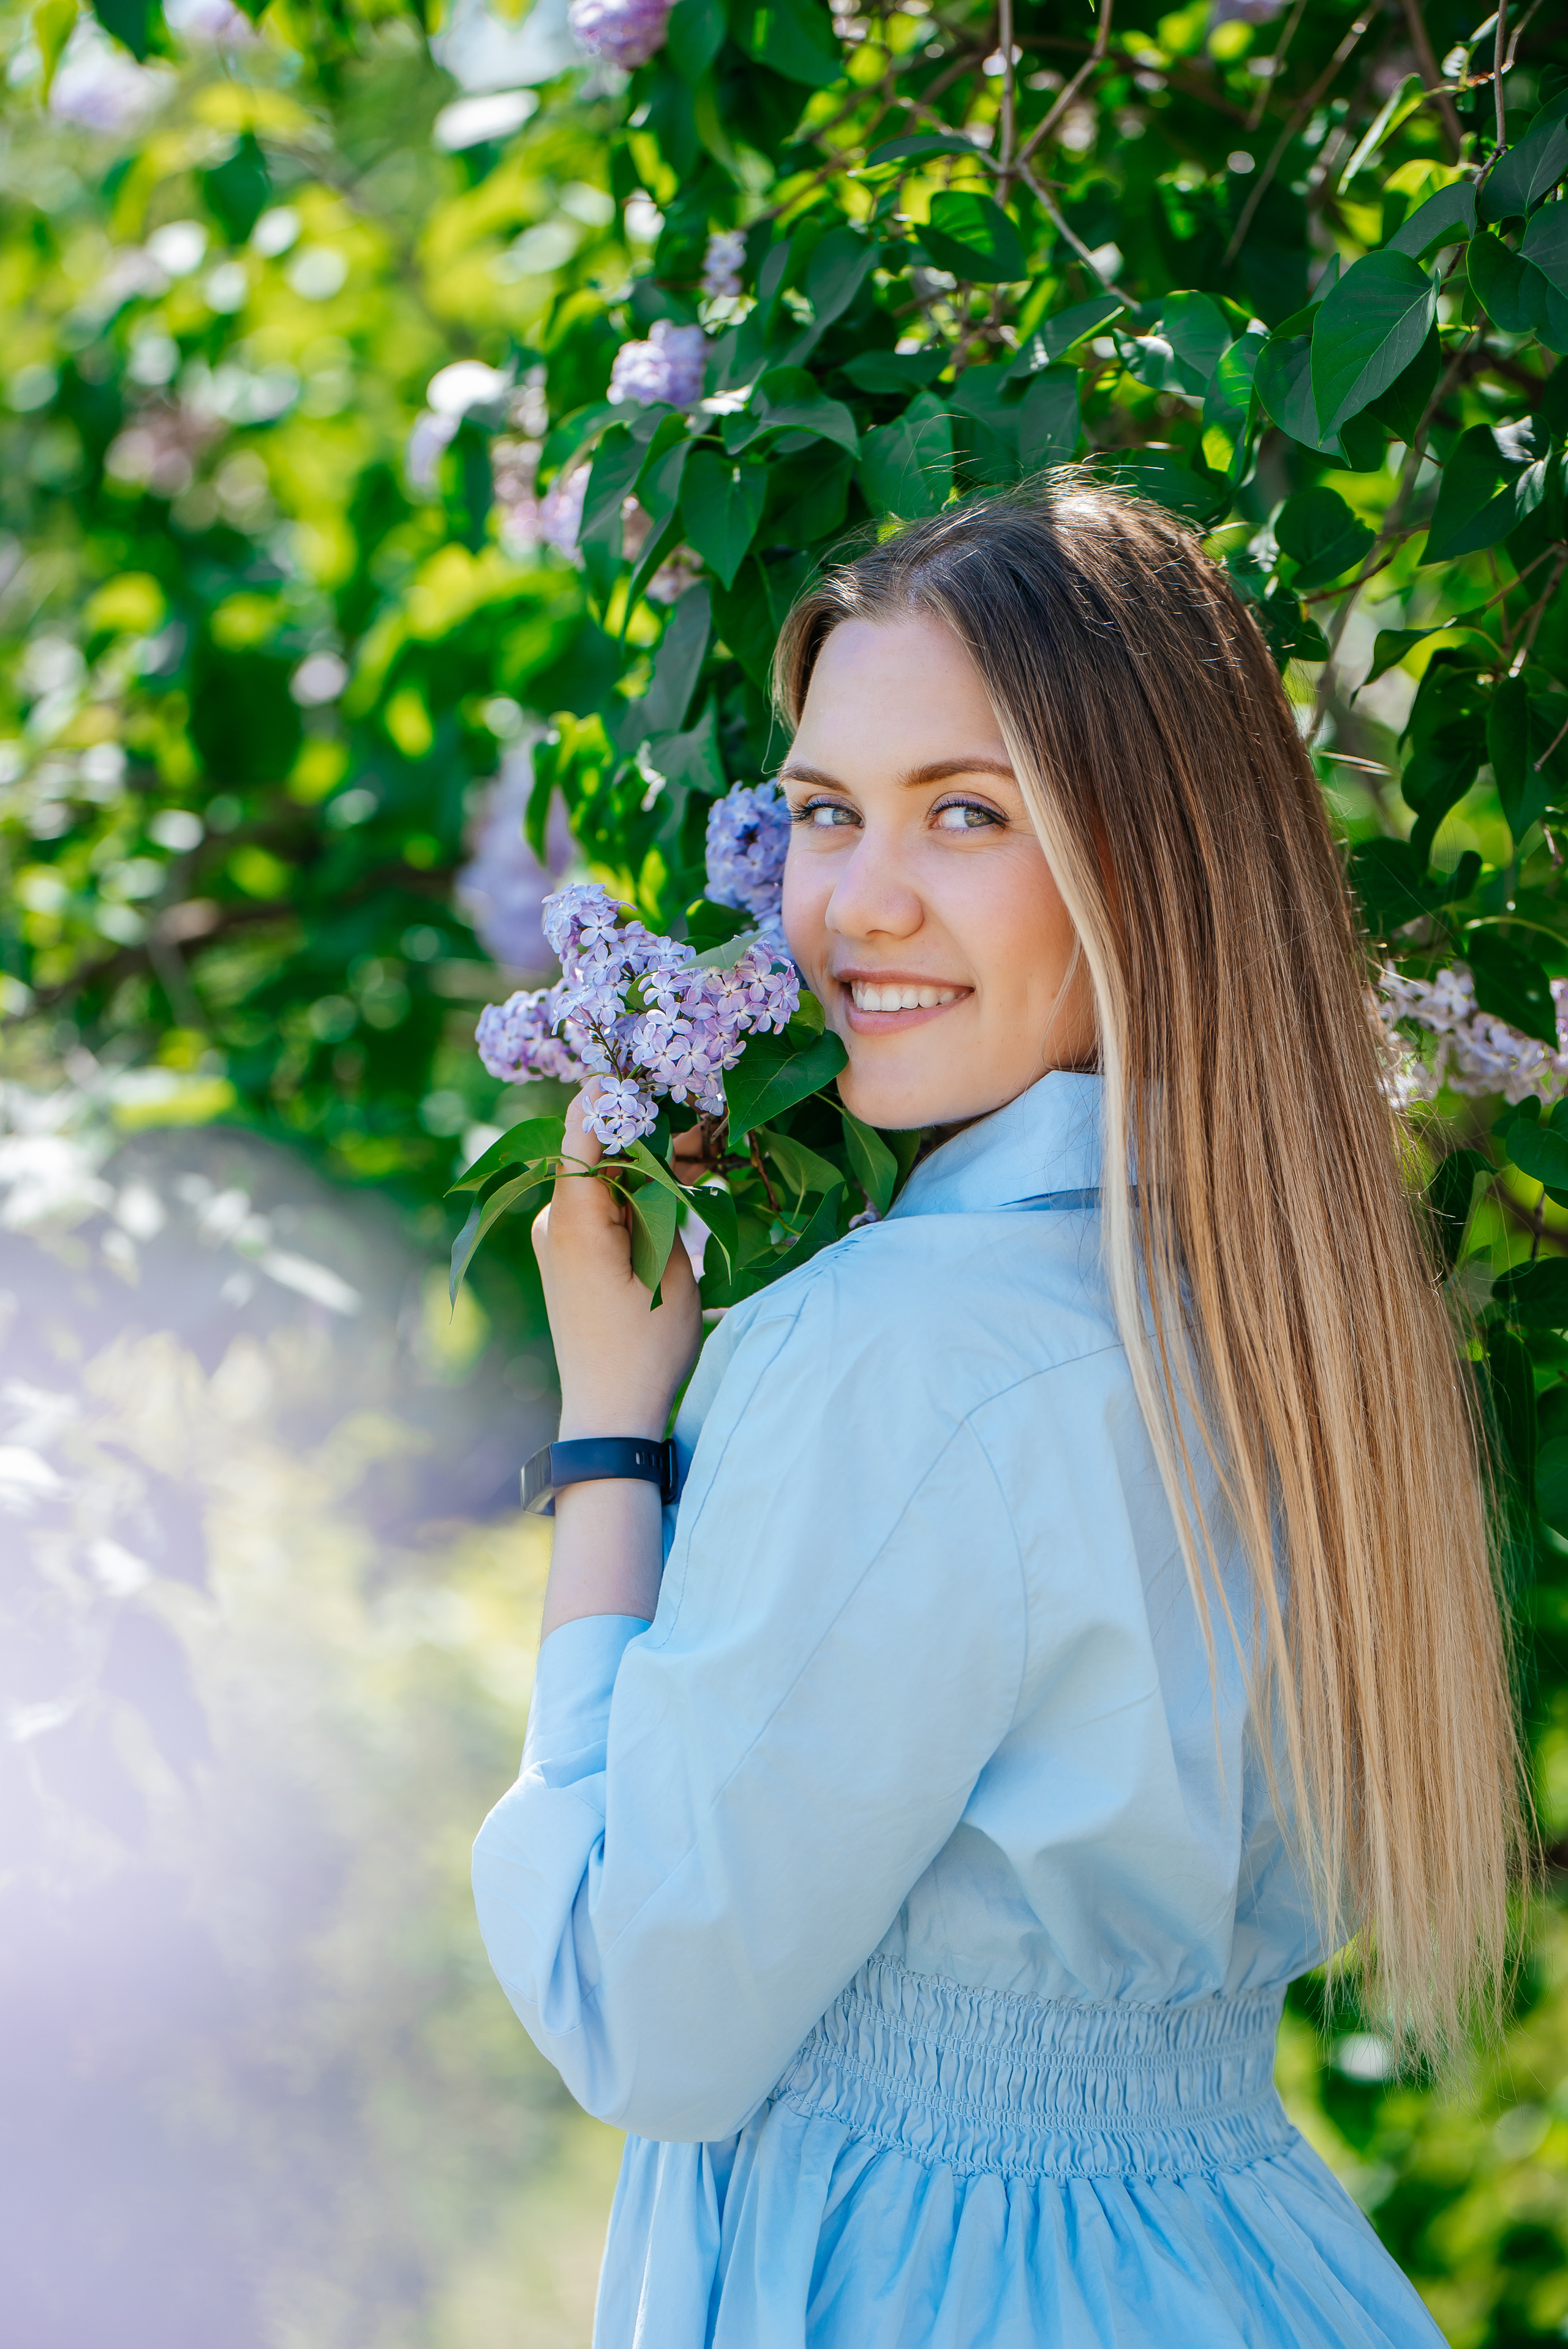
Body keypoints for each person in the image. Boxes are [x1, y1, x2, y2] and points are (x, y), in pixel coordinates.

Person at [472, 483, 1526, 2347]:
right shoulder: (1308, 1319)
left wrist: (613, 1439)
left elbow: (645, 2006)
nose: (854, 902)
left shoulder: (896, 1353)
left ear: (1146, 854)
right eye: (823, 813)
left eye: (967, 812)